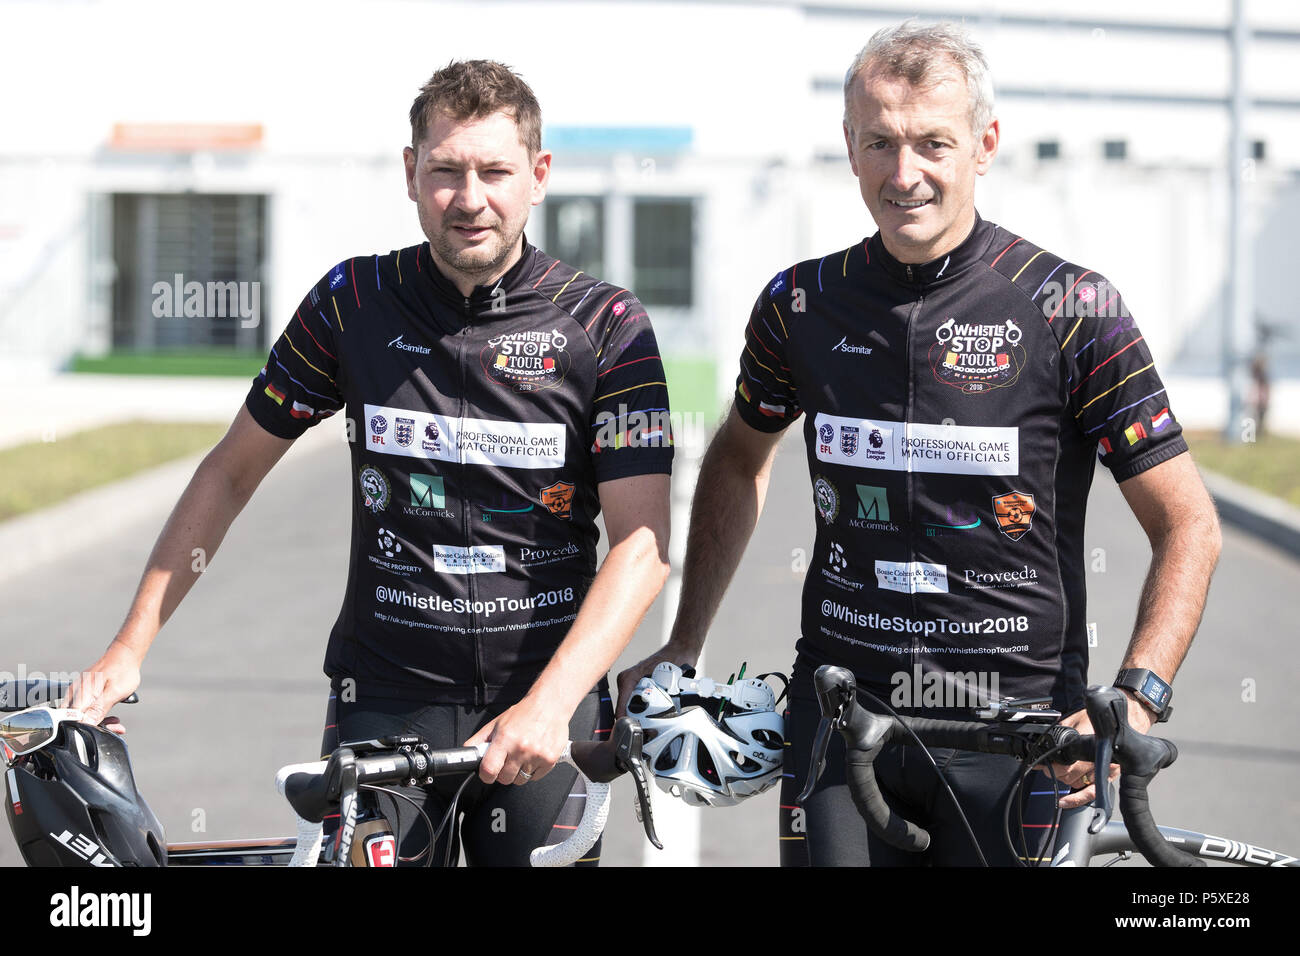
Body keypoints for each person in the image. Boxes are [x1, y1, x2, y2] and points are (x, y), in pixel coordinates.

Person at [618, 21, 1221, 866]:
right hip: (840, 719)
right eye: (881, 143)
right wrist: (685, 643)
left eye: (932, 142)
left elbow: (1188, 523)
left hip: (1016, 734)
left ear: (985, 144)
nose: (906, 175)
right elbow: (738, 457)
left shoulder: (1072, 308)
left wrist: (1138, 696)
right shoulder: (800, 303)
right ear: (850, 147)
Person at [71, 59, 673, 866]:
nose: (470, 198)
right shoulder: (353, 301)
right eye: (445, 171)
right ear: (410, 173)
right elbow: (230, 471)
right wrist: (129, 646)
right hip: (385, 697)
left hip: (545, 700)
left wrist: (552, 703)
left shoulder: (606, 323)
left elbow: (642, 545)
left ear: (538, 175)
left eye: (495, 171)